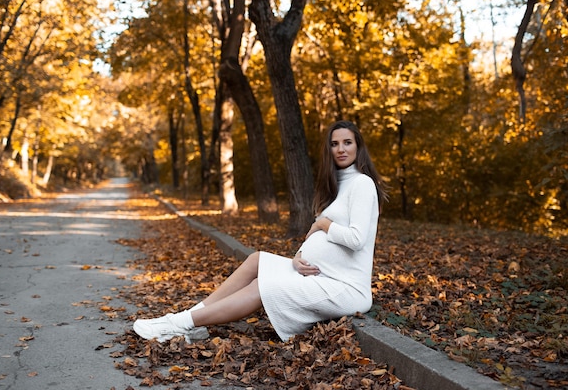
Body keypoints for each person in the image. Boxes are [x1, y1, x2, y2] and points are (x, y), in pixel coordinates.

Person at [133, 120, 389, 343]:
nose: (341, 149)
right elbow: (315, 237)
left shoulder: (362, 184)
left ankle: (179, 324)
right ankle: (184, 317)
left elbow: (356, 239)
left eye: (347, 143)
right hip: (320, 276)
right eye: (335, 144)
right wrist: (299, 256)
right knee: (256, 259)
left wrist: (323, 225)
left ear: (358, 147)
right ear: (329, 149)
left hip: (345, 288)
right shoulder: (336, 185)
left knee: (261, 286)